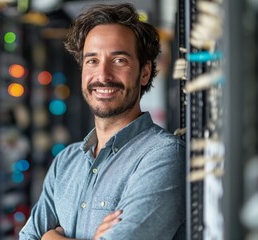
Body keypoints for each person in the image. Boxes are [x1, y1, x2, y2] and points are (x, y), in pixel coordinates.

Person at [19, 3, 185, 240]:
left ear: (145, 72)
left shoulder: (164, 157)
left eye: (119, 60)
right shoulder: (66, 162)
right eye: (92, 61)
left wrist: (50, 237)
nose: (103, 75)